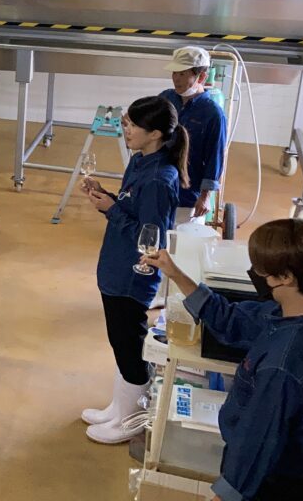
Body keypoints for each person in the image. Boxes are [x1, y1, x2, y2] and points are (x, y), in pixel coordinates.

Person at [146, 219, 303, 501]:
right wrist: (175, 273)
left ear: (286, 276)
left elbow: (257, 444)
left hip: (275, 484)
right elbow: (231, 318)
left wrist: (222, 496)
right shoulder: (287, 314)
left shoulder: (282, 366)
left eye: (260, 267)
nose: (255, 273)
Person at [80, 95, 188, 444]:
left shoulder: (159, 178)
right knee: (120, 341)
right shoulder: (140, 160)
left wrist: (111, 210)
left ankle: (132, 420)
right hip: (115, 265)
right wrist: (107, 197)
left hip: (131, 274)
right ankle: (119, 408)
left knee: (129, 344)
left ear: (154, 133)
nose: (125, 130)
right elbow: (132, 208)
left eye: (132, 126)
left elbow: (151, 239)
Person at [161, 46, 227, 224]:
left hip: (188, 196)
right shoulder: (166, 99)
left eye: (183, 74)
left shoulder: (212, 114)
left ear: (202, 77)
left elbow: (215, 157)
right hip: (159, 187)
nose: (176, 78)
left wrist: (205, 196)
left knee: (183, 238)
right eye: (174, 73)